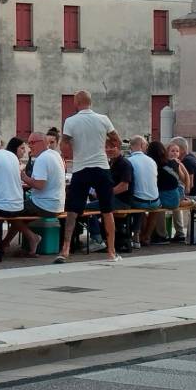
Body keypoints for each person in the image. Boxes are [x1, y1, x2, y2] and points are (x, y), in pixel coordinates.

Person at [56, 91, 121, 263]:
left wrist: (71, 153)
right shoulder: (103, 119)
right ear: (90, 102)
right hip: (101, 167)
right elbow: (116, 140)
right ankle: (112, 252)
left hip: (81, 168)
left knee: (72, 211)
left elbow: (64, 144)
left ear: (77, 103)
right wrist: (110, 150)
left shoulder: (70, 121)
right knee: (107, 210)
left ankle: (65, 249)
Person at [5, 131, 65, 256]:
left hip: (44, 204)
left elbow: (39, 185)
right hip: (57, 204)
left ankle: (33, 238)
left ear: (43, 142)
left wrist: (23, 177)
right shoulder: (55, 155)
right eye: (28, 143)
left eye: (32, 143)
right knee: (20, 214)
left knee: (8, 210)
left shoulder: (42, 159)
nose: (29, 146)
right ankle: (6, 243)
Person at [170, 137, 196, 244]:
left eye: (175, 149)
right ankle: (179, 233)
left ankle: (179, 233)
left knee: (174, 203)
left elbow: (190, 184)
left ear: (181, 150)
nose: (173, 152)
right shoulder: (191, 157)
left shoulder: (187, 161)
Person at [129, 137, 162, 246]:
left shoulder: (129, 161)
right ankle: (146, 236)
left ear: (131, 147)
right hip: (155, 201)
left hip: (139, 202)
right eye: (146, 146)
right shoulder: (151, 161)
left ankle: (137, 235)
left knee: (137, 205)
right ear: (141, 146)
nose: (147, 148)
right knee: (153, 207)